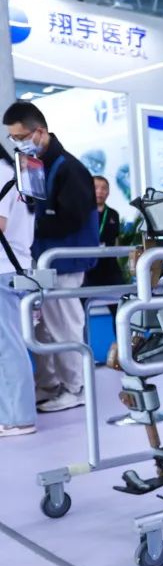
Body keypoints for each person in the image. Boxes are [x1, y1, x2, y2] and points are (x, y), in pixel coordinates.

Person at [4, 101, 99, 413]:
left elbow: (72, 218)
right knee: (40, 329)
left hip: (64, 263)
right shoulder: (32, 167)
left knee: (64, 326)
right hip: (39, 263)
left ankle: (76, 387)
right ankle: (48, 385)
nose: (18, 143)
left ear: (40, 131)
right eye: (12, 138)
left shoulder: (70, 168)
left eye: (21, 137)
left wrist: (30, 223)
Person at [0, 145, 37, 436]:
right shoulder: (14, 173)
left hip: (3, 268)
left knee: (8, 346)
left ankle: (18, 418)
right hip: (15, 267)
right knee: (9, 344)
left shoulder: (2, 173)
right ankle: (11, 415)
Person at [83, 175, 124, 318]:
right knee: (80, 309)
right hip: (88, 267)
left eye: (104, 188)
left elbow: (116, 240)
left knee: (121, 308)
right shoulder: (83, 213)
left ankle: (122, 333)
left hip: (109, 267)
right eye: (96, 188)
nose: (100, 191)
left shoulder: (113, 214)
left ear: (108, 192)